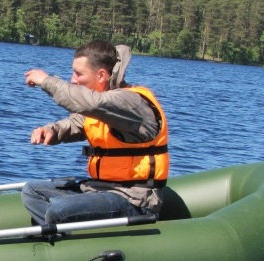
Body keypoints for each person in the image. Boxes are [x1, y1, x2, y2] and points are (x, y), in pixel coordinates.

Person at [21, 40, 169, 225]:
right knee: (32, 191)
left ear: (101, 75)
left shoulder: (129, 102)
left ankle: (62, 237)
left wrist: (46, 80)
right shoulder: (104, 105)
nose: (73, 80)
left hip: (133, 198)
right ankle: (61, 233)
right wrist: (53, 130)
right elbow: (79, 122)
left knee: (60, 211)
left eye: (78, 74)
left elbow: (90, 102)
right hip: (99, 188)